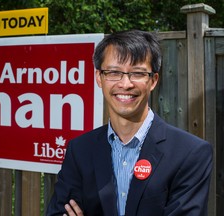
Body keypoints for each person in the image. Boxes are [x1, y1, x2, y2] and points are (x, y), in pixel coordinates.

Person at [46, 30, 213, 216]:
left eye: (137, 73)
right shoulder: (80, 150)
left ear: (153, 81)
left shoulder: (190, 154)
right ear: (99, 78)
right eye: (114, 72)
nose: (125, 84)